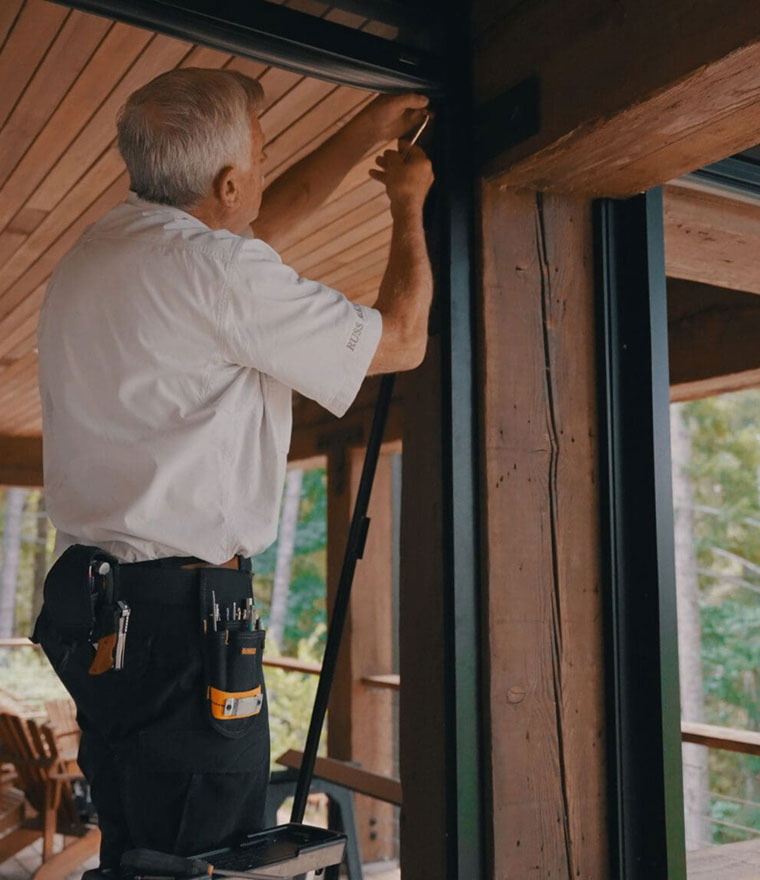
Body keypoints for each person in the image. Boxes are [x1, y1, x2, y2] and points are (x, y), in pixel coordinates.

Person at [32, 67, 434, 875]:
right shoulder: (216, 274)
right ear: (225, 181)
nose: (262, 157)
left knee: (141, 852)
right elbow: (401, 340)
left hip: (104, 618)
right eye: (260, 147)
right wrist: (408, 205)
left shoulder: (105, 247)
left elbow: (245, 234)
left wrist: (362, 131)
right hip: (183, 632)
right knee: (201, 863)